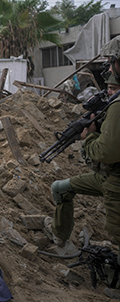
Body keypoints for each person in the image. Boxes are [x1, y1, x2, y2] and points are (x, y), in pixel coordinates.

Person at [47, 52, 120, 299]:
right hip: (108, 178)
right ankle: (61, 240)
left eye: (112, 87)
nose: (108, 92)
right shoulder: (113, 106)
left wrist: (88, 136)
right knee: (61, 187)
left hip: (116, 181)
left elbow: (106, 152)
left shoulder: (118, 107)